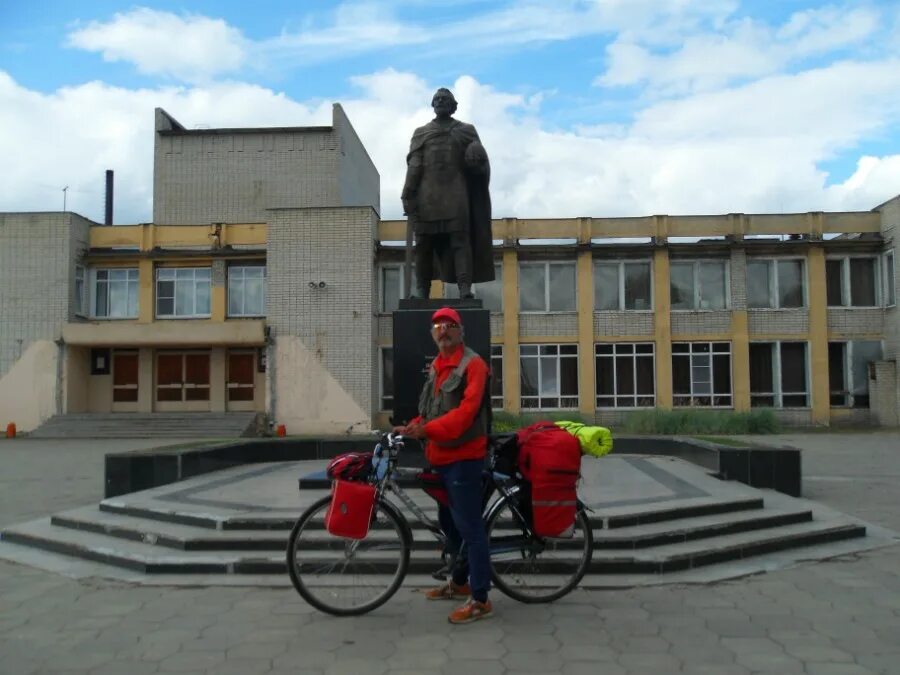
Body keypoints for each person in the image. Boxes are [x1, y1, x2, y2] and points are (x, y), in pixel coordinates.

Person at [393, 306, 493, 624]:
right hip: (440, 458)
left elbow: (465, 414)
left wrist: (428, 429)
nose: (443, 330)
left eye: (450, 325)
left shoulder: (473, 365)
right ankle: (460, 582)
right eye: (438, 326)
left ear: (460, 331)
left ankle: (480, 599)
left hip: (464, 459)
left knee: (471, 530)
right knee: (451, 528)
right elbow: (432, 411)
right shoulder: (437, 366)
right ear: (433, 334)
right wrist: (413, 426)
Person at [401, 88, 494, 300]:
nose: (441, 101)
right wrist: (408, 192)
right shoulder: (421, 132)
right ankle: (422, 291)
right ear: (432, 105)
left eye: (446, 99)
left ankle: (464, 289)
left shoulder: (467, 130)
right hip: (427, 197)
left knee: (460, 242)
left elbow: (479, 165)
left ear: (454, 106)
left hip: (456, 195)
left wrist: (477, 162)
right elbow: (415, 165)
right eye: (437, 99)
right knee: (423, 245)